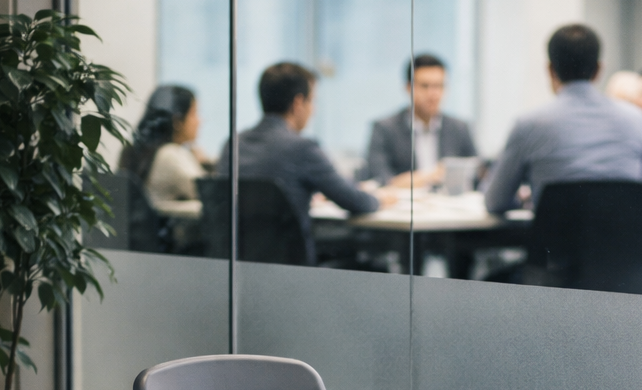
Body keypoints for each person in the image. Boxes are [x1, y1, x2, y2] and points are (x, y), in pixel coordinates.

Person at [482, 24, 642, 215]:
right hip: (627, 243)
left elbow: (494, 201)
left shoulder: (529, 124)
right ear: (599, 70)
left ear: (550, 70)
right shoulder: (637, 120)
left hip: (557, 243)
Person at [216, 63, 384, 256]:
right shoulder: (302, 148)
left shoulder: (232, 145)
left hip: (237, 267)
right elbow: (356, 202)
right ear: (298, 103)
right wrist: (379, 199)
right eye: (312, 101)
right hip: (291, 270)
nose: (313, 110)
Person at [365, 54, 477, 187]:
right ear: (408, 88)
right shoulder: (384, 129)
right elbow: (381, 180)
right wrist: (432, 175)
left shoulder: (459, 128)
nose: (433, 94)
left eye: (439, 86)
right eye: (425, 86)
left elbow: (477, 175)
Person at [120, 85, 212, 213]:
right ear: (177, 122)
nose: (200, 121)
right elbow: (212, 195)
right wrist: (206, 164)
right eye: (194, 113)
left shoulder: (133, 149)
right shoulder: (171, 155)